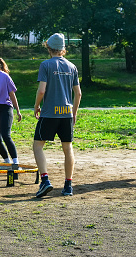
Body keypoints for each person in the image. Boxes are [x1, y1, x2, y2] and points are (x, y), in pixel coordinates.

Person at [33, 33, 82, 198]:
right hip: (66, 113)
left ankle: (45, 180)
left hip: (49, 113)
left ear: (48, 48)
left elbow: (41, 90)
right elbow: (78, 94)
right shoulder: (72, 67)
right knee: (67, 148)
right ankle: (68, 185)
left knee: (38, 145)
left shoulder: (46, 65)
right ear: (63, 49)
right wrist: (73, 113)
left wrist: (36, 105)